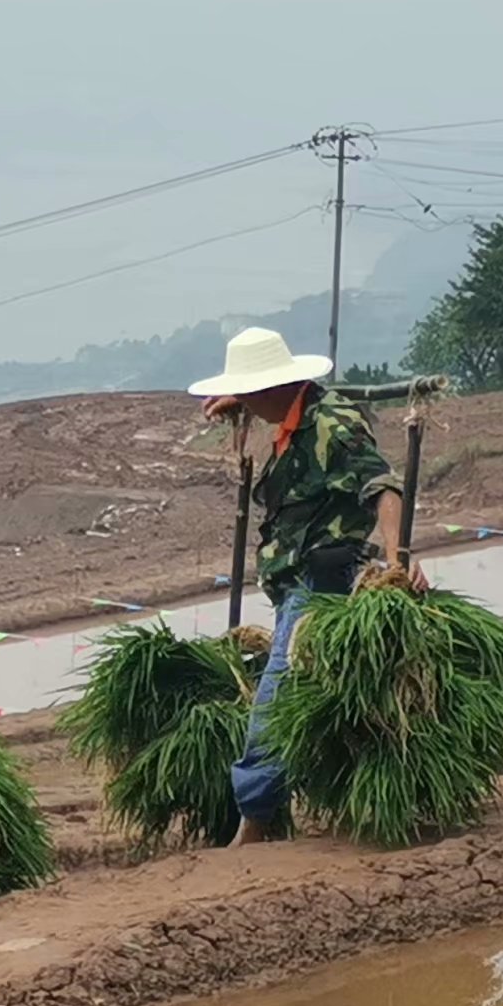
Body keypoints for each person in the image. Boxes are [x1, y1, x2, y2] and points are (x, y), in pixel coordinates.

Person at [192, 326, 406, 845]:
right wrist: (237, 404)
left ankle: (258, 816)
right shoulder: (289, 417)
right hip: (292, 581)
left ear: (274, 388)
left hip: (321, 578)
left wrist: (398, 560)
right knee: (311, 691)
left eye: (249, 392)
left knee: (277, 691)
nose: (244, 401)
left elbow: (383, 485)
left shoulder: (332, 424)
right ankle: (329, 793)